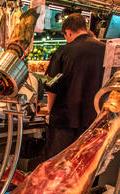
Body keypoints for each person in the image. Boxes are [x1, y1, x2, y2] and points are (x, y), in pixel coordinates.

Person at [43, 13, 106, 160]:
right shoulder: (106, 50)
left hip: (64, 120)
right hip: (93, 121)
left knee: (58, 164)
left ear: (68, 32)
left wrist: (49, 111)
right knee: (82, 164)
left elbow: (52, 86)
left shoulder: (64, 51)